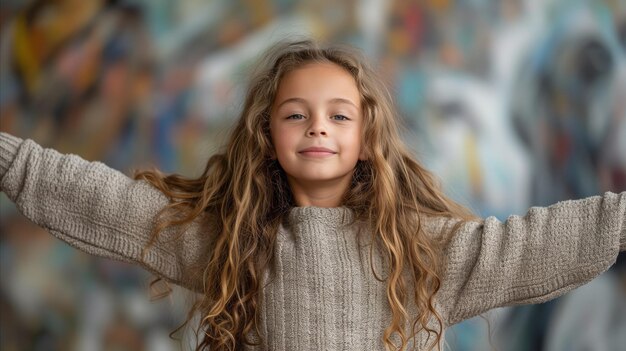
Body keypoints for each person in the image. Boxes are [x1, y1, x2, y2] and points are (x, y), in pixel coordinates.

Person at [0, 39, 624, 351]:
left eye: (339, 116)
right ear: (267, 135)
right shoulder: (234, 242)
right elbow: (108, 203)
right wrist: (10, 159)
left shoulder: (419, 250)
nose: (318, 126)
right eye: (296, 115)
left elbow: (532, 244)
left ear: (367, 136)